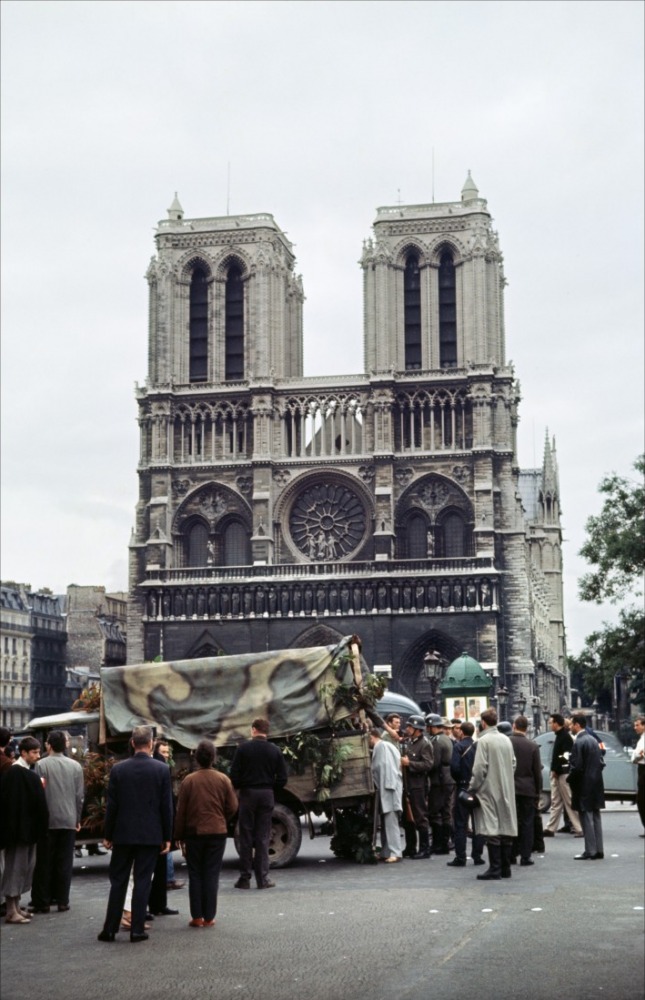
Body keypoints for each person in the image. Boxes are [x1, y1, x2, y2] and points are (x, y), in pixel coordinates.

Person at [97, 726, 173, 943]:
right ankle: (137, 929)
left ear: (132, 743)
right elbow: (165, 807)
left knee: (118, 881)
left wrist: (108, 834)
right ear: (150, 744)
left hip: (122, 834)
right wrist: (167, 836)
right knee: (142, 881)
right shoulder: (161, 770)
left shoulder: (118, 770)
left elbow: (112, 806)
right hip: (150, 835)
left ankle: (109, 929)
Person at [174, 739, 238, 927]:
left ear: (196, 759)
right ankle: (210, 917)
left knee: (195, 874)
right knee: (211, 873)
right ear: (214, 758)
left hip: (194, 833)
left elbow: (181, 811)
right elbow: (233, 806)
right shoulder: (223, 779)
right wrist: (221, 818)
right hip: (217, 831)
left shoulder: (189, 781)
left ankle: (197, 917)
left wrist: (178, 835)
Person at [230, 718, 288, 890]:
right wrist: (270, 788)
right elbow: (283, 778)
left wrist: (243, 786)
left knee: (246, 836)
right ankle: (263, 879)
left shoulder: (243, 749)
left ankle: (244, 878)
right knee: (263, 837)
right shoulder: (274, 750)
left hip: (248, 795)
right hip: (266, 795)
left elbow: (234, 776)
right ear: (266, 731)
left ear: (253, 730)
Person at [31, 730, 84, 913]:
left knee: (44, 862)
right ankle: (63, 900)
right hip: (69, 818)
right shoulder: (76, 766)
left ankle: (43, 902)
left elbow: (38, 794)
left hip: (48, 820)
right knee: (64, 862)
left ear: (49, 745)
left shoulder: (40, 765)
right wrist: (77, 818)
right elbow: (79, 796)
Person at [0, 736, 49, 923]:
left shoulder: (20, 773)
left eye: (38, 751)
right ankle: (12, 910)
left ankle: (16, 907)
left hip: (23, 831)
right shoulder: (18, 774)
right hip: (21, 832)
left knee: (22, 869)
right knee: (16, 869)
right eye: (34, 752)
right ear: (24, 753)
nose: (38, 756)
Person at [467, 708, 517, 880]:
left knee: (491, 828)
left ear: (483, 723)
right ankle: (505, 868)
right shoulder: (506, 739)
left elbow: (479, 768)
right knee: (505, 824)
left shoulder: (484, 741)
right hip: (506, 787)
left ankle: (495, 868)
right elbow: (513, 763)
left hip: (488, 789)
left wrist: (473, 787)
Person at [447, 721, 485, 867]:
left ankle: (461, 856)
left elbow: (454, 768)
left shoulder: (458, 747)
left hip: (462, 787)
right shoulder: (478, 746)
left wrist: (460, 780)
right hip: (477, 788)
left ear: (461, 732)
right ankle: (477, 855)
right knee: (478, 823)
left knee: (461, 823)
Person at [568, 713, 605, 861]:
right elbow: (601, 763)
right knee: (596, 816)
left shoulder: (579, 742)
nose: (570, 727)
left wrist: (570, 779)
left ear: (577, 725)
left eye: (572, 724)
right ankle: (599, 849)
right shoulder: (593, 740)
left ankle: (590, 850)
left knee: (586, 817)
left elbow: (577, 767)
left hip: (584, 784)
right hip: (596, 782)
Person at [508, 716, 542, 867]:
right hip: (528, 789)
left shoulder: (507, 743)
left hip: (510, 788)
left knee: (513, 821)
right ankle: (526, 856)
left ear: (514, 726)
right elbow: (537, 772)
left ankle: (512, 854)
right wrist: (538, 792)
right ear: (526, 728)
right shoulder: (532, 746)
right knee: (528, 823)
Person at [543, 713, 583, 838]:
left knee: (569, 801)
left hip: (563, 774)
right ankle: (550, 828)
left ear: (556, 723)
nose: (550, 725)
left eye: (551, 722)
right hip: (559, 773)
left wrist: (556, 769)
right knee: (556, 802)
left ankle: (580, 828)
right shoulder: (562, 736)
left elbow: (565, 756)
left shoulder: (564, 737)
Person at [400, 714, 434, 859]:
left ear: (417, 729)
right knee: (407, 818)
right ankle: (410, 847)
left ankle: (424, 848)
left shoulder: (425, 744)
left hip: (418, 785)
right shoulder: (409, 742)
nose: (407, 729)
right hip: (407, 785)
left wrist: (410, 764)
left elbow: (428, 764)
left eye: (410, 727)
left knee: (420, 817)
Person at [368, 728, 403, 862]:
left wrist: (388, 788)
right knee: (386, 821)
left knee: (391, 820)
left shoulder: (383, 747)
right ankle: (386, 851)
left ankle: (395, 852)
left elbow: (388, 768)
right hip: (386, 789)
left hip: (389, 788)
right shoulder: (382, 746)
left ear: (372, 736)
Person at [425, 714, 454, 855]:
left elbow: (433, 763)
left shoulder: (436, 741)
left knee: (435, 812)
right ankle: (445, 842)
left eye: (428, 726)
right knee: (446, 812)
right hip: (448, 779)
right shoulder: (446, 738)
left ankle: (438, 844)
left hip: (439, 780)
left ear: (432, 726)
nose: (426, 729)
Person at [631, 716, 645, 836]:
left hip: (644, 768)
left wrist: (636, 758)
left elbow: (641, 754)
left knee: (641, 800)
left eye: (637, 725)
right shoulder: (641, 738)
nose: (635, 728)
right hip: (641, 768)